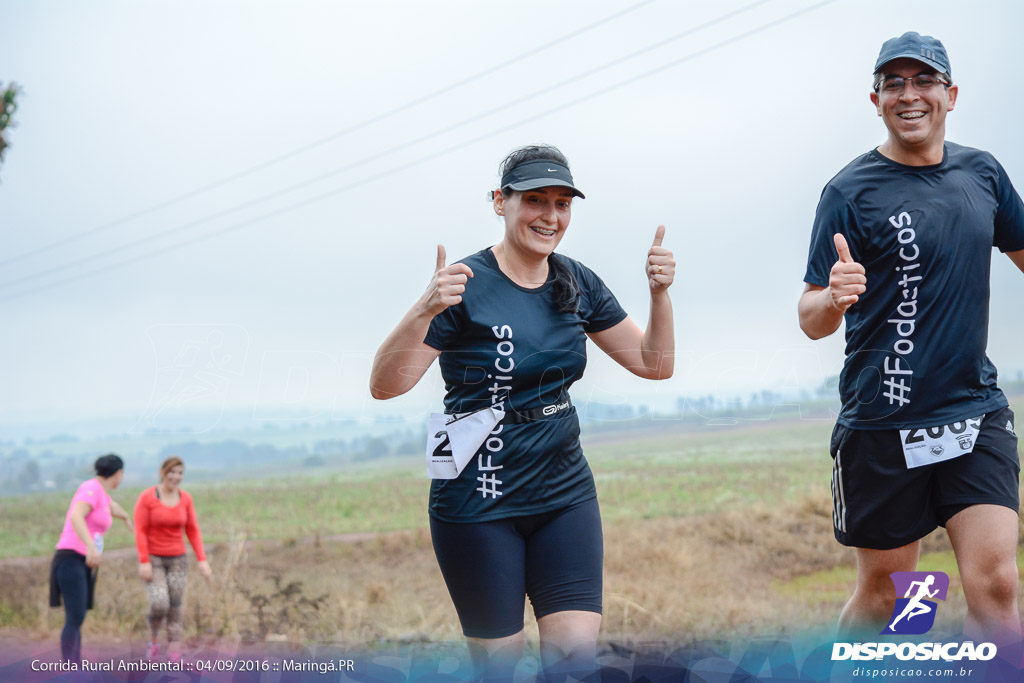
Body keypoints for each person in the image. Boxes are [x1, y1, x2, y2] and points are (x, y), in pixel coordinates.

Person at [370, 144, 675, 678]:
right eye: (534, 200)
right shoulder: (461, 284)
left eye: (562, 204)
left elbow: (654, 363)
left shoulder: (577, 281)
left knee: (574, 660)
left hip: (563, 491)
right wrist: (423, 307)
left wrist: (659, 294)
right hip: (477, 494)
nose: (550, 216)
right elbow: (385, 385)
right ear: (499, 202)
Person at [799, 32, 1024, 644]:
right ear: (874, 100)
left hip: (973, 412)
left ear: (950, 95)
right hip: (883, 424)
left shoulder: (983, 174)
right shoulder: (850, 191)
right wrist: (833, 295)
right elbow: (810, 316)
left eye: (923, 81)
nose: (909, 95)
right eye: (893, 84)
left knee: (997, 584)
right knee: (898, 601)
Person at [49, 453, 132, 662]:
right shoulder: (91, 488)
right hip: (71, 558)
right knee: (75, 616)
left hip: (81, 560)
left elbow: (110, 507)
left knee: (78, 616)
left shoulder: (102, 493)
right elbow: (76, 515)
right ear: (118, 473)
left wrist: (125, 517)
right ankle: (70, 667)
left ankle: (74, 665)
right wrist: (90, 547)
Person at [134, 456, 211, 660]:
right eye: (172, 472)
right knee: (160, 602)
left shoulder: (185, 498)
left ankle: (174, 649)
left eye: (180, 473)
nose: (176, 477)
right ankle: (154, 639)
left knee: (176, 605)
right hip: (153, 558)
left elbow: (193, 530)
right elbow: (140, 530)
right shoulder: (148, 497)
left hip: (178, 558)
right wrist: (143, 561)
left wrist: (202, 560)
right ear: (163, 473)